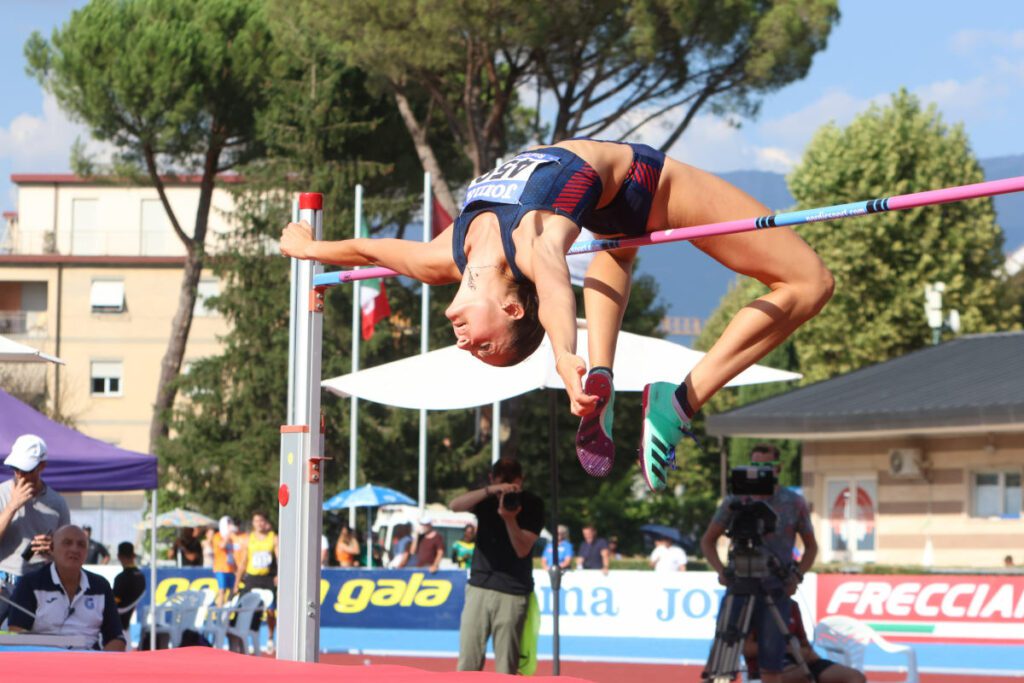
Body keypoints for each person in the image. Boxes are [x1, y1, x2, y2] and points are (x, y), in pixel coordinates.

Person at [280, 139, 833, 490]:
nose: (464, 345)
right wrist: (566, 355)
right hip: (647, 182)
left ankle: (607, 377)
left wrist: (309, 248)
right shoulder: (529, 245)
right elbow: (556, 289)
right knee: (812, 283)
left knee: (614, 244)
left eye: (474, 351)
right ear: (512, 307)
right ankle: (677, 398)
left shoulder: (438, 260)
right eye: (486, 348)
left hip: (604, 202)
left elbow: (370, 251)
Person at [700, 443, 818, 683]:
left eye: (767, 466)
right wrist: (722, 571)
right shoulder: (735, 499)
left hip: (776, 588)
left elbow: (811, 547)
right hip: (739, 586)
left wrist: (796, 577)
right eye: (756, 466)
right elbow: (708, 540)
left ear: (779, 468)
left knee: (772, 662)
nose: (762, 471)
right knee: (722, 662)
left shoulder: (793, 502)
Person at [450, 458, 544, 674]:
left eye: (513, 482)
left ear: (521, 481)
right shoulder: (486, 499)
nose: (508, 489)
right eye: (504, 481)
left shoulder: (531, 504)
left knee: (506, 667)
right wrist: (491, 491)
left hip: (512, 590)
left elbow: (522, 549)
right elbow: (454, 506)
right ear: (493, 479)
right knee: (467, 663)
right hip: (480, 585)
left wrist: (509, 519)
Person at [8, 525, 125, 651]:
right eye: (67, 543)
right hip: (43, 663)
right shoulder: (30, 583)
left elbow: (116, 638)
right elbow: (16, 634)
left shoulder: (101, 586)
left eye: (81, 545)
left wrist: (101, 666)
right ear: (52, 548)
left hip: (89, 664)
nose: (75, 549)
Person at [0, 434, 70, 626]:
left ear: (42, 466)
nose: (20, 475)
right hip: (2, 583)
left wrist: (53, 548)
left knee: (31, 643)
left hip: (38, 584)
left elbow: (67, 552)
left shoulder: (57, 503)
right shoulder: (2, 494)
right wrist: (12, 507)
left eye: (26, 469)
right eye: (15, 469)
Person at [744, 607, 866, 683]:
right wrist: (784, 648)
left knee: (856, 677)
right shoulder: (754, 607)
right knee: (801, 678)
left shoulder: (792, 606)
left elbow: (804, 643)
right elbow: (746, 649)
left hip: (802, 660)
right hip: (772, 661)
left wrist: (806, 653)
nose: (797, 582)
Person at [235, 511, 279, 654]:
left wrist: (279, 575)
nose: (258, 523)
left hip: (267, 578)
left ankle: (271, 638)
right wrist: (236, 582)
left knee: (270, 610)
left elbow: (280, 559)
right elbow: (243, 562)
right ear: (253, 523)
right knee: (243, 608)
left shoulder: (273, 538)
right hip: (252, 578)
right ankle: (243, 639)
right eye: (256, 521)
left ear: (265, 522)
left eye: (261, 520)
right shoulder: (249, 539)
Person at [112, 541, 146, 633]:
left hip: (116, 625)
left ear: (119, 556)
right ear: (134, 555)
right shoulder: (141, 576)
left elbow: (113, 603)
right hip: (126, 623)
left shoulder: (121, 578)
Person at [212, 516, 238, 607]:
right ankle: (220, 611)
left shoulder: (232, 538)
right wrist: (228, 535)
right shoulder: (217, 536)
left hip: (231, 569)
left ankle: (227, 610)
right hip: (221, 568)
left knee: (232, 591)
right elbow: (222, 545)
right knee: (222, 590)